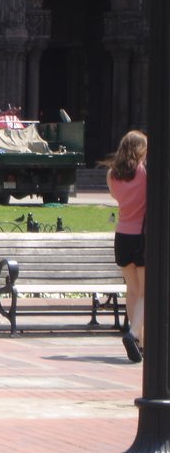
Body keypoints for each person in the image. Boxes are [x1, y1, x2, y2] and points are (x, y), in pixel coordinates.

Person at [104, 130, 147, 363]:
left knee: (131, 290)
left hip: (122, 236)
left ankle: (139, 338)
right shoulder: (145, 174)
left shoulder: (112, 174)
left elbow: (116, 197)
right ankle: (133, 335)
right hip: (141, 235)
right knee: (145, 292)